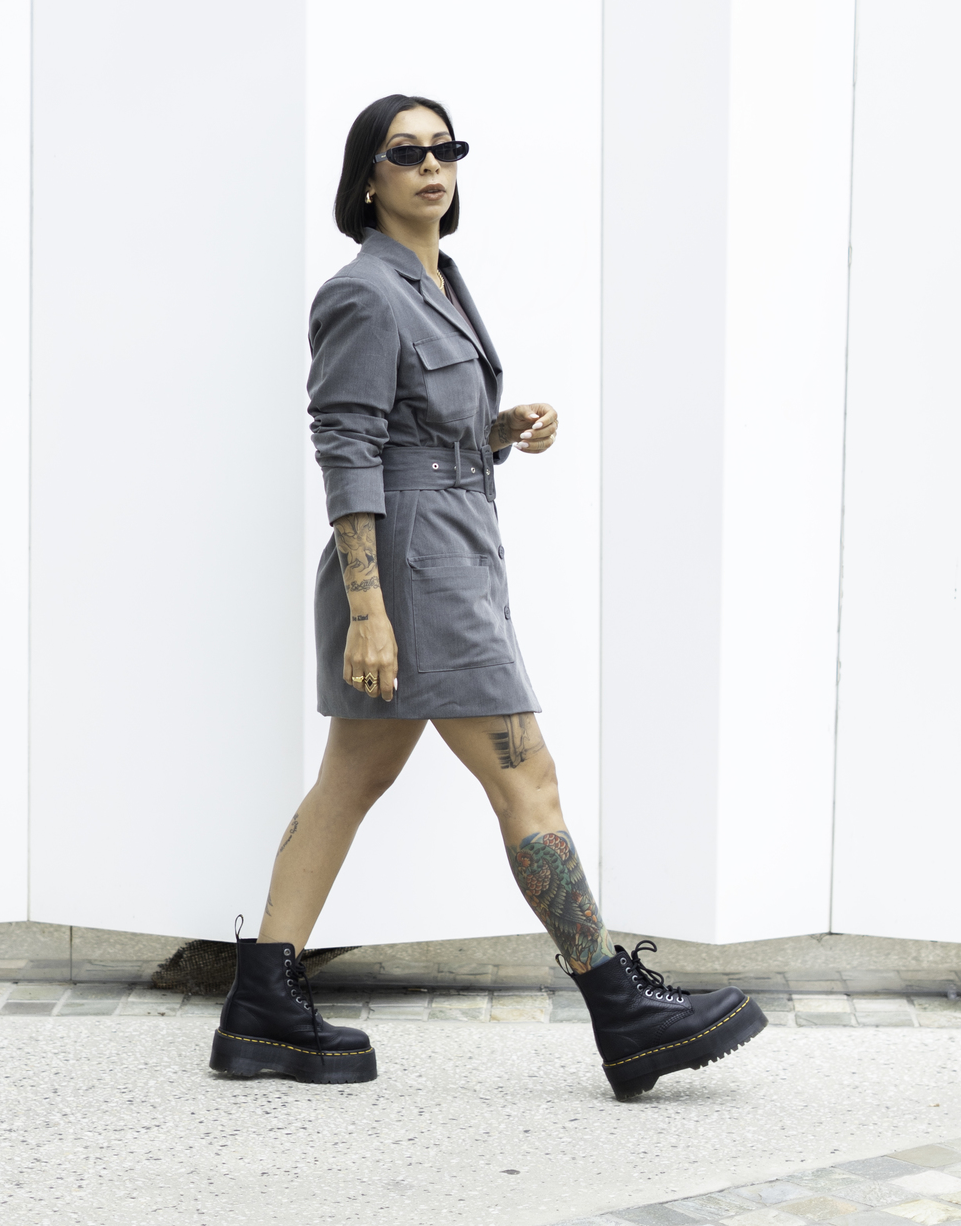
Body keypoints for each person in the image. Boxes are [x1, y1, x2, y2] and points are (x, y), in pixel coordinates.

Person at [209, 94, 765, 1096]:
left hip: (451, 548)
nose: (432, 166)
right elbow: (348, 447)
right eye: (406, 152)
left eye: (446, 149)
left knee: (350, 782)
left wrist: (498, 430)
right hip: (418, 571)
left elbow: (415, 431)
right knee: (527, 776)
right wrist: (371, 613)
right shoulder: (364, 292)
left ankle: (261, 1007)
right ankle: (622, 1009)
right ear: (367, 180)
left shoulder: (440, 281)